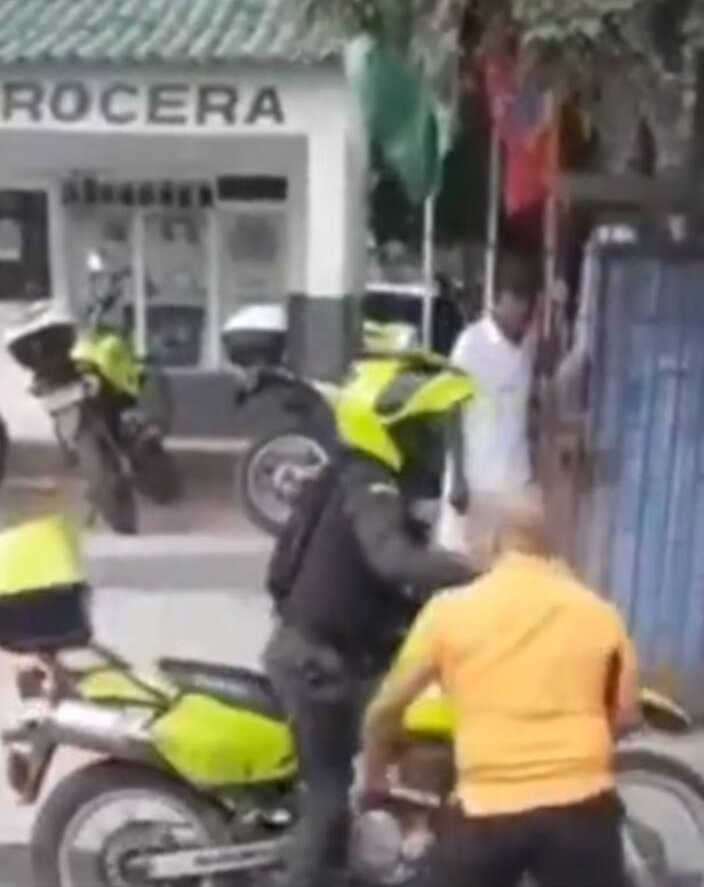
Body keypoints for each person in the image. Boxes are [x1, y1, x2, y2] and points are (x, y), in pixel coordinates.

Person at [262, 353, 480, 887]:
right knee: (329, 796)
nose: (431, 442)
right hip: (319, 666)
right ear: (389, 430)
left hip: (342, 655)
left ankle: (403, 839)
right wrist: (480, 575)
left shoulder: (361, 478)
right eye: (422, 429)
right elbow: (393, 560)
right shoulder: (368, 484)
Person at [361, 490, 640, 887]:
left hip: (487, 812)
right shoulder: (599, 613)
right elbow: (626, 714)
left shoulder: (451, 610)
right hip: (582, 808)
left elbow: (386, 709)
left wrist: (375, 776)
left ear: (493, 542)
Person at [435, 251, 539, 553]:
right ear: (499, 298)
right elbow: (451, 408)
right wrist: (458, 477)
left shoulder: (527, 348)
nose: (522, 311)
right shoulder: (471, 344)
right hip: (476, 484)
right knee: (469, 567)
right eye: (516, 300)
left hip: (514, 484)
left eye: (527, 302)